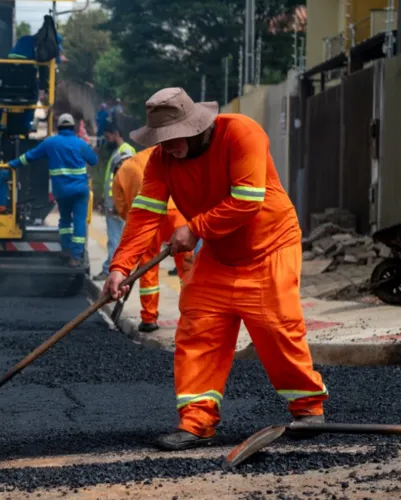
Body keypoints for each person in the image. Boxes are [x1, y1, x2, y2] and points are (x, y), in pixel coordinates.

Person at [102, 88, 327, 451]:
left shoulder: (241, 133)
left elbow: (247, 200)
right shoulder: (162, 159)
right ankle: (196, 422)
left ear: (195, 126)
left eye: (173, 139)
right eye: (160, 140)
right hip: (219, 255)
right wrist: (119, 267)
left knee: (276, 329)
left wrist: (194, 228)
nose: (167, 147)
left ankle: (307, 408)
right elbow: (145, 212)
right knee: (197, 331)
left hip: (269, 248)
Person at [109, 146, 194, 332]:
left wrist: (138, 237)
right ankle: (192, 317)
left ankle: (149, 318)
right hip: (177, 211)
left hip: (149, 220)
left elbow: (124, 209)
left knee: (148, 266)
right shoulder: (155, 153)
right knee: (186, 266)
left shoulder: (120, 175)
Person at [8, 113, 97, 267]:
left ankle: (65, 250)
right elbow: (94, 161)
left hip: (62, 191)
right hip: (80, 191)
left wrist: (12, 165)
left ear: (59, 127)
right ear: (73, 127)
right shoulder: (80, 143)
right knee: (79, 221)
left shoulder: (50, 143)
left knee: (64, 220)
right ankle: (75, 257)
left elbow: (29, 156)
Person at [94, 122, 135, 280]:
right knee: (116, 238)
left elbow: (126, 180)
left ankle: (111, 271)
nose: (107, 140)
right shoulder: (120, 151)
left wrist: (119, 205)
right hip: (114, 203)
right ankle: (113, 268)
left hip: (117, 205)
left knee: (115, 239)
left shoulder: (125, 152)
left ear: (115, 133)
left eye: (108, 136)